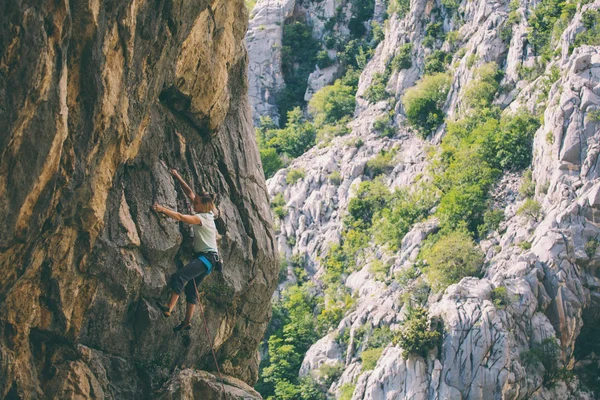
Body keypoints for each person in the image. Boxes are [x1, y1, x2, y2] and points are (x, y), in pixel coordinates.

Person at [154, 169, 221, 332]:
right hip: (210, 260)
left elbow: (182, 218)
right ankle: (187, 322)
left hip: (206, 258)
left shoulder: (201, 219)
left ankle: (168, 308)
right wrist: (177, 176)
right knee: (191, 289)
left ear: (203, 205)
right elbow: (190, 193)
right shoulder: (208, 212)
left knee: (180, 276)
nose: (193, 203)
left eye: (196, 203)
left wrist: (162, 209)